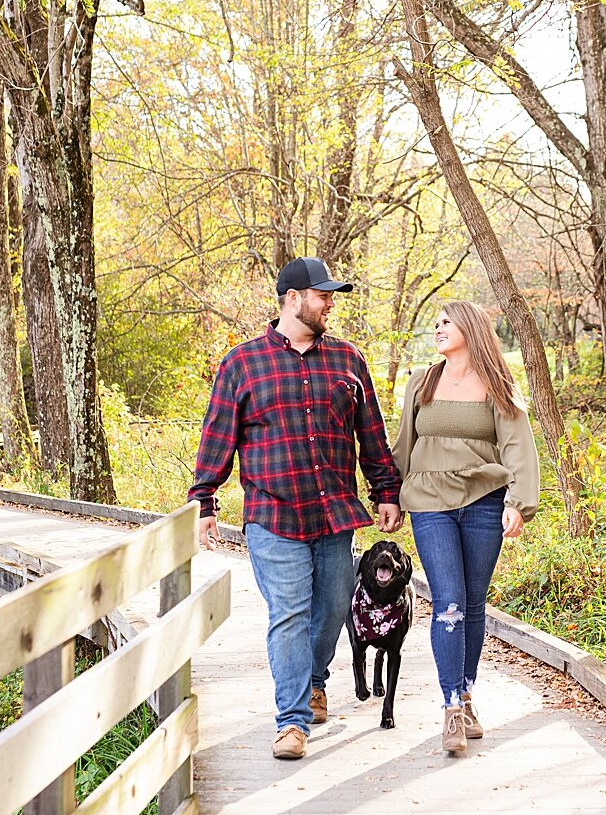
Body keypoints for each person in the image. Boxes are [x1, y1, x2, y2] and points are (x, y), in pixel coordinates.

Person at [190, 256, 402, 761]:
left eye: (331, 295)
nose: (330, 303)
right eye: (323, 294)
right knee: (289, 613)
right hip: (273, 512)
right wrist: (204, 500)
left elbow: (370, 434)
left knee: (331, 610)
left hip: (333, 514)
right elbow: (218, 435)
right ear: (292, 298)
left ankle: (313, 681)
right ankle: (291, 722)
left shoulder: (349, 360)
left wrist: (385, 491)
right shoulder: (241, 363)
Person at [393, 301, 540, 754]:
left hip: (483, 503)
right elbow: (403, 442)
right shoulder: (422, 381)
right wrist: (388, 495)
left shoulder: (497, 384)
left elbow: (518, 447)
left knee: (473, 602)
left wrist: (519, 502)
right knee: (449, 600)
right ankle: (451, 707)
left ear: (470, 328)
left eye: (446, 322)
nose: (437, 329)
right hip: (429, 503)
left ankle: (468, 693)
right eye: (435, 323)